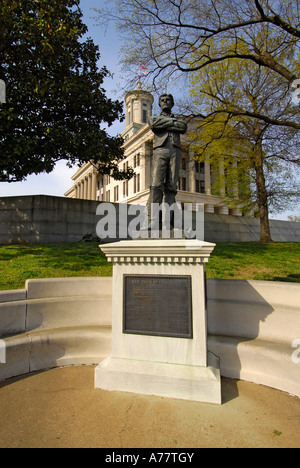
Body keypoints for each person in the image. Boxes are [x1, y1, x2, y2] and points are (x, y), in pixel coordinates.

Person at [146, 94, 187, 230]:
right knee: (156, 185)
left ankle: (168, 222)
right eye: (162, 100)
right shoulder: (155, 118)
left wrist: (166, 124)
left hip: (175, 151)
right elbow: (153, 124)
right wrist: (172, 123)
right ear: (159, 104)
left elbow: (183, 127)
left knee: (171, 188)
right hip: (160, 151)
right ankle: (153, 221)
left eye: (168, 100)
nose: (165, 102)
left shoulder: (178, 120)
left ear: (172, 103)